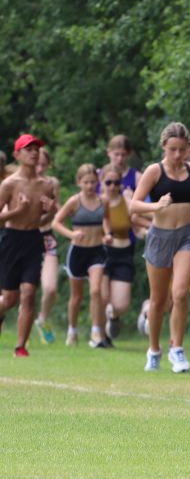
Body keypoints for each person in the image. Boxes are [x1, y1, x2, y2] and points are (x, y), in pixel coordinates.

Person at [130, 122, 190, 373]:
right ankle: (154, 350)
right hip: (160, 236)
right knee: (158, 300)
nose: (177, 155)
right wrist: (156, 206)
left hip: (188, 236)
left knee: (181, 292)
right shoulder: (154, 171)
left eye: (182, 150)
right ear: (164, 146)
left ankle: (177, 349)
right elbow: (134, 205)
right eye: (173, 149)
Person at [0, 134, 57, 356]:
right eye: (28, 149)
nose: (34, 152)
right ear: (17, 154)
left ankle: (20, 346)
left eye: (36, 148)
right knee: (10, 298)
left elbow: (44, 220)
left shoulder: (47, 185)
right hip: (11, 240)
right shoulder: (9, 184)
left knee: (29, 293)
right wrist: (16, 212)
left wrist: (51, 210)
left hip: (34, 239)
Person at [52, 164, 110, 347]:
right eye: (86, 182)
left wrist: (107, 234)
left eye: (93, 182)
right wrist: (71, 234)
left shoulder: (103, 201)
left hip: (97, 251)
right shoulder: (74, 202)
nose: (90, 186)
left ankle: (96, 332)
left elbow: (106, 219)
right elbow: (56, 222)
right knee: (76, 296)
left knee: (96, 291)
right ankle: (72, 331)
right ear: (79, 183)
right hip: (78, 252)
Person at [99, 163, 137, 343]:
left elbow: (138, 222)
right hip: (102, 253)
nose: (112, 186)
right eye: (108, 182)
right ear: (101, 182)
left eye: (116, 182)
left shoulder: (127, 202)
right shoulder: (96, 203)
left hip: (124, 253)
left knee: (121, 306)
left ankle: (113, 316)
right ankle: (99, 336)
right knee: (102, 297)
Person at [34, 148, 61, 344]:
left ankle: (42, 319)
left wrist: (52, 210)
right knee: (23, 290)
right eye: (37, 164)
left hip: (46, 238)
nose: (40, 168)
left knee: (50, 288)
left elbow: (58, 213)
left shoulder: (52, 183)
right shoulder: (17, 182)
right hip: (24, 237)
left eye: (44, 164)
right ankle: (23, 327)